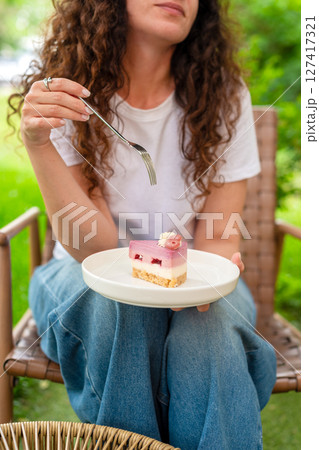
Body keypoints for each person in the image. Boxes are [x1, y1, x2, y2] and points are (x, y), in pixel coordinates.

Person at [8, 0, 277, 448]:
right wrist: (39, 143)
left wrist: (203, 284)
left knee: (206, 327)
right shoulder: (72, 97)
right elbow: (94, 248)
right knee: (119, 304)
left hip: (190, 273)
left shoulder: (225, 94)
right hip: (79, 273)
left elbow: (216, 236)